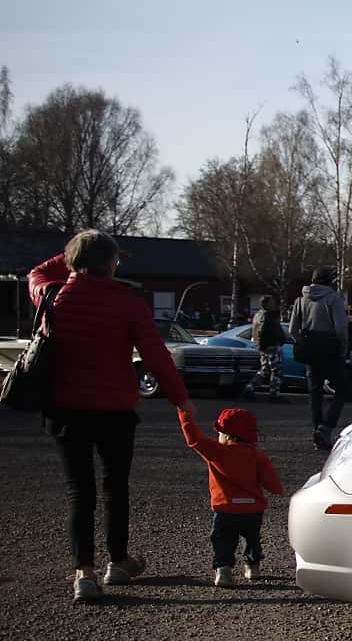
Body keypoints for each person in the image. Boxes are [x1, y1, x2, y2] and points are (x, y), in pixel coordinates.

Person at [28, 231, 195, 604]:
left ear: (72, 261)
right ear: (112, 263)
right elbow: (155, 355)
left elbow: (36, 273)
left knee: (79, 490)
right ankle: (117, 562)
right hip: (115, 410)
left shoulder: (53, 295)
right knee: (115, 487)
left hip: (65, 408)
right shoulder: (128, 304)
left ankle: (84, 573)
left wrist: (73, 255)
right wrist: (180, 398)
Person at [178, 407, 283, 587]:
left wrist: (184, 413)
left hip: (225, 509)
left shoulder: (217, 452)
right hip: (252, 510)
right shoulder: (258, 456)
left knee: (223, 540)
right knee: (252, 539)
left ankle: (223, 570)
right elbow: (273, 485)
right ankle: (253, 567)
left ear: (227, 435)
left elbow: (194, 439)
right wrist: (277, 489)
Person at [289, 266, 352, 450]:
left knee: (315, 393)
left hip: (310, 350)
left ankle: (317, 431)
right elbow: (341, 328)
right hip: (330, 349)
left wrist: (303, 342)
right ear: (329, 281)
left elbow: (293, 330)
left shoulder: (301, 300)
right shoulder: (334, 299)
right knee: (342, 390)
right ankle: (326, 427)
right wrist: (343, 347)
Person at [244, 294, 287, 402]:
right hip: (271, 345)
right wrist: (280, 340)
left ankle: (250, 389)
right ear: (267, 304)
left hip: (264, 346)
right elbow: (264, 331)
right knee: (276, 370)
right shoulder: (268, 315)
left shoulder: (258, 315)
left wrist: (260, 345)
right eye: (272, 302)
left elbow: (257, 331)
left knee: (265, 370)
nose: (274, 304)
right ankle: (274, 394)